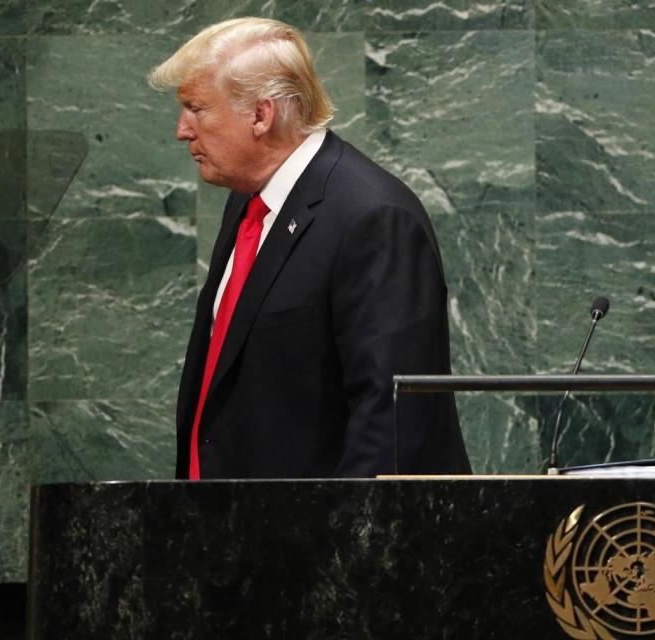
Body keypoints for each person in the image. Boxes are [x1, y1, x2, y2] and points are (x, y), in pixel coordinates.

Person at [149, 17, 471, 479]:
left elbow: (391, 418)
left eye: (196, 108)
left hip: (323, 539)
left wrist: (336, 545)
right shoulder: (248, 199)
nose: (182, 129)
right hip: (232, 529)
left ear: (261, 115)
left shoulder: (375, 218)